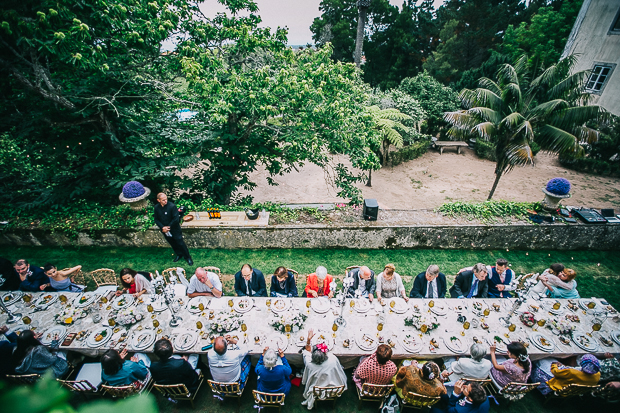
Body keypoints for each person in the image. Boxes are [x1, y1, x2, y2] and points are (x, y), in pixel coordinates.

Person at [301, 329, 347, 409]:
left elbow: (306, 351)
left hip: (317, 388)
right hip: (334, 384)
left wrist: (308, 340)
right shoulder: (332, 359)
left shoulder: (309, 363)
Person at [153, 193, 193, 266]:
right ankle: (179, 254)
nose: (166, 201)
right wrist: (162, 227)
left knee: (180, 243)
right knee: (172, 243)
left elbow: (175, 219)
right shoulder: (156, 208)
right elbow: (156, 219)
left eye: (166, 199)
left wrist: (168, 227)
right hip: (164, 230)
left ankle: (187, 257)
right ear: (158, 200)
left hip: (174, 229)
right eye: (163, 200)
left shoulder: (172, 206)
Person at [532, 354, 600, 395]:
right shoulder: (597, 375)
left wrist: (554, 365)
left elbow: (555, 372)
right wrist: (563, 366)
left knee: (542, 359)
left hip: (557, 384)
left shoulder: (572, 372)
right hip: (570, 388)